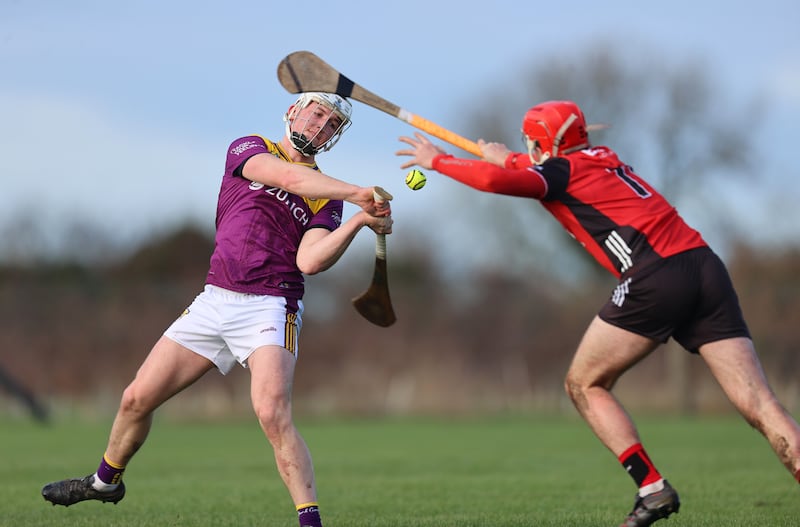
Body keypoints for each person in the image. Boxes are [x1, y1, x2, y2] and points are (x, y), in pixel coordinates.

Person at [396, 100, 800, 526]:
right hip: (704, 265)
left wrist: (436, 161)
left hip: (655, 276)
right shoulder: (603, 159)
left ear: (541, 144)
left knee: (584, 384)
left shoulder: (556, 173)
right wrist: (513, 158)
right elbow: (534, 168)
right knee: (760, 403)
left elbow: (500, 181)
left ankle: (652, 489)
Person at [42, 92, 393, 527]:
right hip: (215, 299)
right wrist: (361, 192)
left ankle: (310, 523)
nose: (322, 126)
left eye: (333, 124)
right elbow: (292, 179)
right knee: (135, 399)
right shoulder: (250, 148)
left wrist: (359, 219)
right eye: (318, 113)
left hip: (271, 305)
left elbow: (310, 262)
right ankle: (104, 484)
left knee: (271, 412)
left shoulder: (331, 199)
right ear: (293, 112)